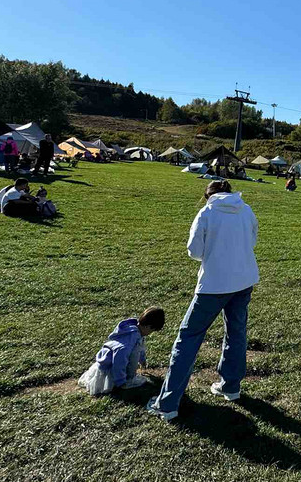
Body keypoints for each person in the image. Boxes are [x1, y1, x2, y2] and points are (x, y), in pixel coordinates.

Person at [147, 180, 259, 421]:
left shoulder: (207, 212)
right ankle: (230, 385)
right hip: (244, 281)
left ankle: (167, 403)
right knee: (236, 332)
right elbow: (252, 241)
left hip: (214, 284)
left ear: (208, 195)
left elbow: (194, 250)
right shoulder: (246, 210)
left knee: (188, 337)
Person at [78, 307, 166, 396]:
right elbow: (119, 361)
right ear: (148, 327)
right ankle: (125, 380)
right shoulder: (128, 342)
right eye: (152, 330)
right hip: (111, 371)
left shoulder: (135, 330)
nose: (150, 333)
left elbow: (140, 347)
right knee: (134, 377)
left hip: (114, 367)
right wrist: (121, 381)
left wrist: (142, 360)